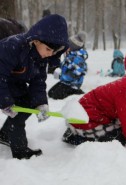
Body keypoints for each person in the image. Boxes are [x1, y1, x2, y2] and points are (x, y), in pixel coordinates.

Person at [63, 49, 126, 162]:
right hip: (86, 119)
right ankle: (78, 137)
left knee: (123, 128)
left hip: (96, 115)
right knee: (119, 137)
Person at [0, 14, 69, 159]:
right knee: (17, 108)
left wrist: (40, 103)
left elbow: (38, 82)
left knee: (28, 102)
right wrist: (5, 101)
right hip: (2, 80)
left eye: (53, 52)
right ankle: (19, 151)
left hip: (11, 81)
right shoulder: (12, 47)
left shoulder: (41, 57)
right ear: (36, 41)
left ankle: (5, 134)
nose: (49, 54)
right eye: (48, 49)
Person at [48, 32, 88, 100]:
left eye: (68, 45)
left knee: (56, 95)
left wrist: (60, 76)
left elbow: (74, 75)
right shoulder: (70, 56)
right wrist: (54, 67)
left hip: (72, 85)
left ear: (74, 46)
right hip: (65, 83)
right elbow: (66, 66)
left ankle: (77, 92)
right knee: (51, 93)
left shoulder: (78, 59)